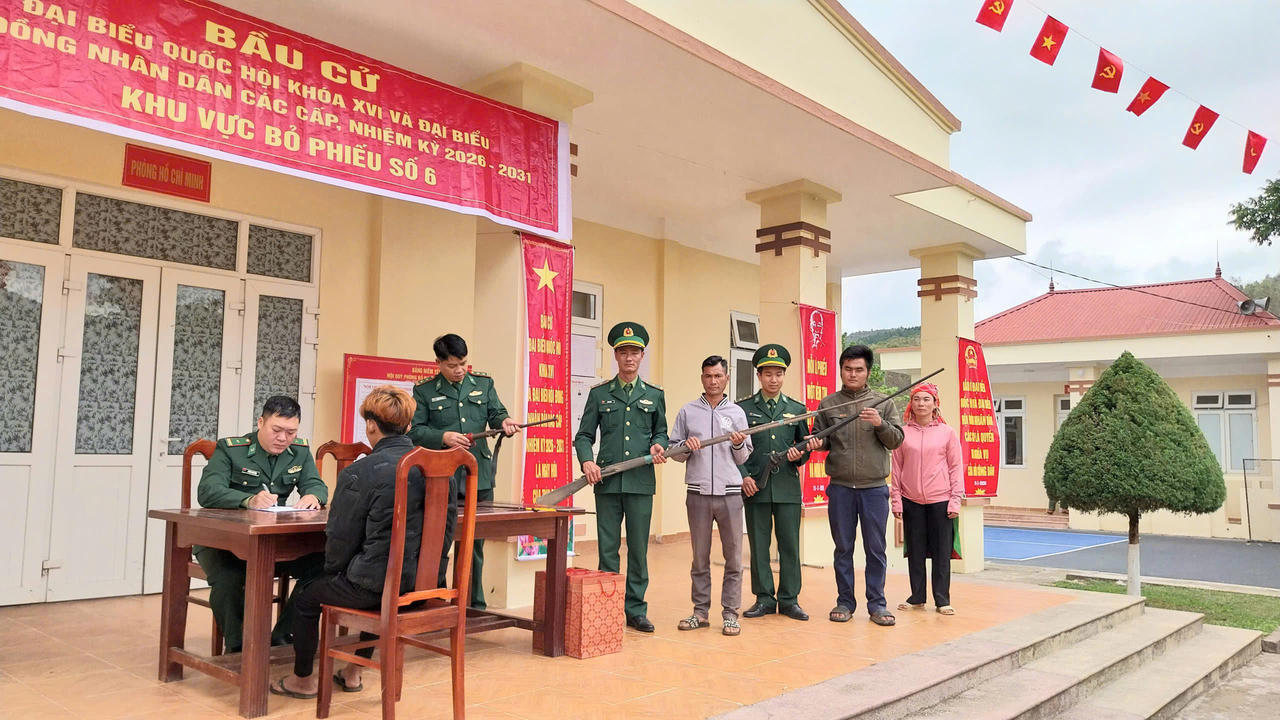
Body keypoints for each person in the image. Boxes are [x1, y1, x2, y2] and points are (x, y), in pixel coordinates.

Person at [271, 385, 428, 699]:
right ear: (409, 426)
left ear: (370, 425)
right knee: (379, 583)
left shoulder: (361, 471)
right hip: (421, 586)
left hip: (373, 585)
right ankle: (354, 671)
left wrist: (334, 572)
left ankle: (303, 680)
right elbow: (446, 530)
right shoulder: (440, 470)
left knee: (307, 592)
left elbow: (340, 540)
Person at [195, 395, 327, 652]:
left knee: (323, 567)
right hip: (223, 541)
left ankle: (284, 634)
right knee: (229, 578)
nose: (283, 438)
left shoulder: (299, 451)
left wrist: (313, 495)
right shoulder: (231, 449)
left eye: (290, 432)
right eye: (276, 430)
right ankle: (239, 648)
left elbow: (316, 484)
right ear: (260, 423)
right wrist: (248, 499)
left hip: (272, 542)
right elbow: (208, 492)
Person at [409, 333, 519, 609]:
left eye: (463, 364)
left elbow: (497, 412)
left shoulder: (483, 384)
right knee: (437, 538)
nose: (459, 371)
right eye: (452, 365)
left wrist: (505, 420)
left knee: (475, 540)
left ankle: (473, 603)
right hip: (440, 476)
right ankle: (436, 599)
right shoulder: (424, 391)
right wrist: (443, 437)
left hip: (477, 472)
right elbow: (416, 432)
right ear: (438, 363)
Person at [574, 321, 668, 633]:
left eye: (635, 352)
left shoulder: (654, 396)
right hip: (608, 481)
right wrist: (587, 461)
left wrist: (659, 445)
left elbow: (662, 433)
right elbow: (584, 435)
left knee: (639, 549)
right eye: (623, 352)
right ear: (616, 356)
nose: (629, 357)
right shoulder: (600, 394)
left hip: (640, 482)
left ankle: (636, 609)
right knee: (608, 549)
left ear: (642, 356)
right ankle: (607, 605)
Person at [809, 344, 904, 627]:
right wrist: (817, 443)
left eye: (859, 369)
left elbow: (896, 440)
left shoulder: (884, 403)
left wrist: (880, 424)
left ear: (868, 372)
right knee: (843, 548)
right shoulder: (829, 404)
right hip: (840, 488)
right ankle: (845, 602)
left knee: (876, 549)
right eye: (848, 369)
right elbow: (822, 438)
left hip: (874, 488)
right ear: (841, 370)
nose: (853, 374)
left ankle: (877, 605)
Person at [668, 356, 752, 636]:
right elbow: (675, 454)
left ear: (726, 378)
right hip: (698, 493)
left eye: (718, 376)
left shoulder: (737, 413)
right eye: (708, 376)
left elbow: (742, 459)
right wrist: (686, 447)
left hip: (730, 493)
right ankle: (700, 612)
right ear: (701, 378)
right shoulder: (688, 412)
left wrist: (738, 444)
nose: (713, 381)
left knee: (733, 557)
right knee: (699, 557)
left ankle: (730, 613)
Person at [738, 344, 811, 621]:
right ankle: (764, 598)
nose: (774, 379)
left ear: (784, 375)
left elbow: (805, 446)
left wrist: (799, 455)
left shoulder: (797, 409)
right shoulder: (743, 408)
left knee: (789, 544)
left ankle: (790, 599)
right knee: (758, 544)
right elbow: (734, 448)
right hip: (755, 485)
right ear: (759, 376)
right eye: (768, 374)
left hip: (787, 488)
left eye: (778, 374)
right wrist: (743, 474)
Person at [890, 383, 963, 616]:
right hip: (911, 500)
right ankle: (917, 596)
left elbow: (955, 467)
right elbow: (896, 469)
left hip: (940, 500)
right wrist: (897, 501)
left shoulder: (947, 433)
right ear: (911, 404)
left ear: (935, 404)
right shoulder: (902, 433)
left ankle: (942, 599)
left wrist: (955, 500)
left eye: (926, 399)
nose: (921, 404)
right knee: (916, 551)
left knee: (942, 553)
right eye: (917, 399)